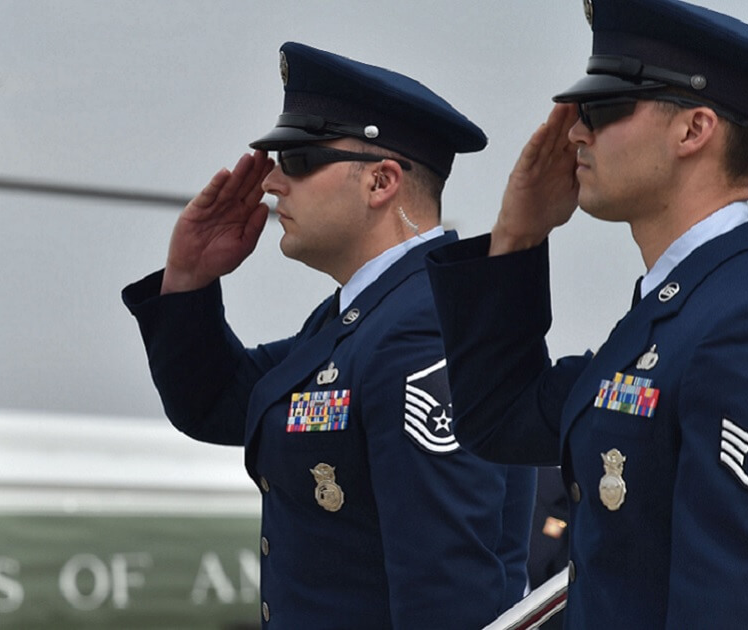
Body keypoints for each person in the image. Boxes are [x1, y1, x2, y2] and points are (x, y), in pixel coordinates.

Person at [122, 42, 535, 628]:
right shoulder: (365, 315)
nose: (268, 181)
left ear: (381, 182)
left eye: (297, 159)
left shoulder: (425, 328)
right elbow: (217, 402)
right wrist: (188, 279)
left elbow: (447, 593)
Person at [424, 0, 748, 627]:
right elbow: (499, 419)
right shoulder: (683, 303)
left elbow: (737, 605)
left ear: (694, 130)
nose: (573, 133)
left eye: (602, 109)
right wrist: (518, 233)